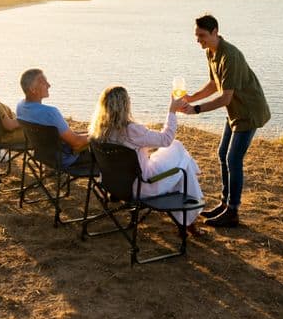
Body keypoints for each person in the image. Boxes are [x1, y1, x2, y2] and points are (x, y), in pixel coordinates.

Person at [177, 14, 271, 228]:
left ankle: (233, 211)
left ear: (215, 32)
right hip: (235, 111)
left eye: (201, 35)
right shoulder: (211, 52)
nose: (198, 40)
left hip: (248, 111)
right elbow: (213, 84)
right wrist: (191, 97)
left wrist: (196, 109)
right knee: (223, 154)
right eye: (196, 35)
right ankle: (224, 203)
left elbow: (225, 97)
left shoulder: (231, 56)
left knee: (233, 159)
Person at [88, 85, 205, 231]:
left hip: (113, 185)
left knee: (176, 147)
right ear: (124, 105)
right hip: (143, 186)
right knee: (182, 161)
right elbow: (166, 139)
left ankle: (188, 219)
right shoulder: (132, 130)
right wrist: (172, 111)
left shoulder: (98, 130)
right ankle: (188, 221)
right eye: (128, 99)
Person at [16, 67, 92, 167]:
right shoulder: (50, 112)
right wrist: (98, 134)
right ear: (33, 90)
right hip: (65, 159)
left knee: (86, 134)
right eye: (44, 83)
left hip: (44, 156)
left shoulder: (20, 106)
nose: (49, 85)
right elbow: (76, 143)